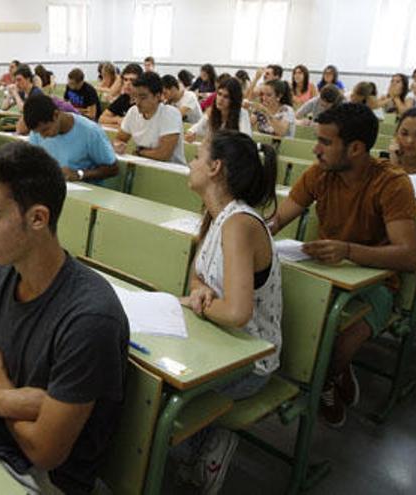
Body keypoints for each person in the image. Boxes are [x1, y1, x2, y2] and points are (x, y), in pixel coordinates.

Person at [0, 141, 129, 494]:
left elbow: (45, 452)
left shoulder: (90, 318)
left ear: (37, 218)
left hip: (46, 480)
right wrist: (9, 400)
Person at [271, 103, 416, 427]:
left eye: (325, 142)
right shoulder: (320, 173)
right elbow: (278, 219)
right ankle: (330, 372)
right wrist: (250, 230)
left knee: (338, 344)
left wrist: (348, 250)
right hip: (325, 273)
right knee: (289, 320)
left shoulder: (392, 182)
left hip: (377, 284)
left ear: (355, 148)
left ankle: (328, 379)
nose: (316, 149)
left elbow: (409, 256)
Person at [172, 130, 282, 494]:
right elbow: (197, 279)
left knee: (163, 393)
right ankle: (193, 445)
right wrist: (200, 294)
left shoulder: (239, 224)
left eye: (197, 157)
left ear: (215, 168)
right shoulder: (216, 215)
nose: (191, 163)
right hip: (218, 342)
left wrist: (200, 304)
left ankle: (205, 445)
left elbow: (236, 313)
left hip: (250, 359)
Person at [24, 94, 118, 184]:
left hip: (84, 190)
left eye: (45, 130)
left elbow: (113, 169)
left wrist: (80, 174)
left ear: (56, 115)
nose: (43, 136)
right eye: (38, 133)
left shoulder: (90, 131)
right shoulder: (38, 130)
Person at [113, 72, 186, 164]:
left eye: (143, 98)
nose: (137, 102)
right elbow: (119, 139)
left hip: (172, 169)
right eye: (135, 97)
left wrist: (139, 152)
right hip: (144, 165)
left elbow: (163, 155)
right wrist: (118, 145)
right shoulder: (133, 112)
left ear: (157, 96)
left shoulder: (170, 114)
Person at [186, 77, 252, 142]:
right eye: (219, 94)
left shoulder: (242, 114)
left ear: (233, 100)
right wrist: (191, 132)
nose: (221, 99)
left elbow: (246, 140)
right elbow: (197, 127)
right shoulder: (212, 112)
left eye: (226, 97)